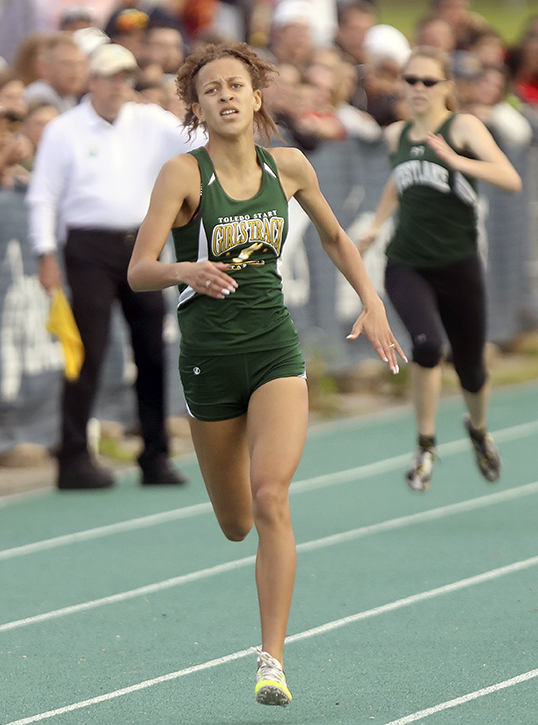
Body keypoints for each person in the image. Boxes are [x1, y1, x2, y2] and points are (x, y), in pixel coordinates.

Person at [127, 42, 405, 706]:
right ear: (195, 106)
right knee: (236, 521)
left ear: (257, 98)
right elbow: (138, 270)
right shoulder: (182, 175)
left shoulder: (290, 166)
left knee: (272, 495)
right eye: (211, 89)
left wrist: (370, 300)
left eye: (236, 85)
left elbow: (337, 237)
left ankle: (271, 659)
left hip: (274, 351)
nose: (225, 96)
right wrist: (183, 269)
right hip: (207, 361)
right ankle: (243, 527)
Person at [27, 43, 191, 490]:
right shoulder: (65, 129)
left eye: (126, 77)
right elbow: (43, 195)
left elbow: (197, 140)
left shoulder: (150, 121)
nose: (121, 86)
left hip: (140, 244)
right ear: (93, 81)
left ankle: (155, 455)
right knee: (89, 352)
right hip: (86, 248)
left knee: (152, 350)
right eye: (112, 77)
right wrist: (46, 254)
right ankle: (73, 456)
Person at [358, 45, 522, 492]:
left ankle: (479, 430)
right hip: (407, 263)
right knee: (428, 347)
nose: (417, 89)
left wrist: (456, 160)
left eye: (428, 81)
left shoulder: (463, 126)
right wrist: (376, 224)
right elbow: (398, 177)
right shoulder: (396, 135)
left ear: (447, 87)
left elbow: (510, 179)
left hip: (458, 264)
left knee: (471, 369)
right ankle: (425, 444)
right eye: (410, 80)